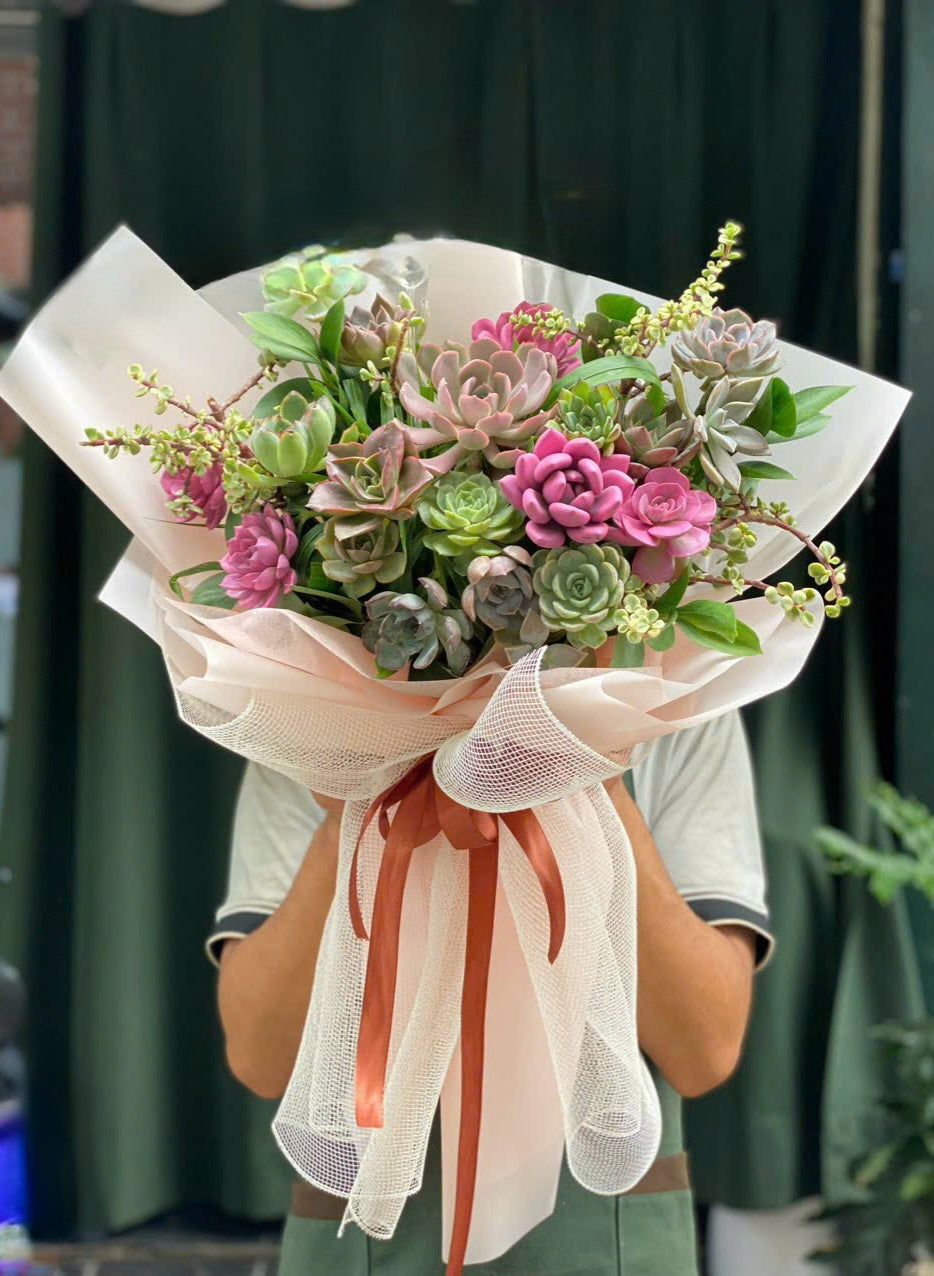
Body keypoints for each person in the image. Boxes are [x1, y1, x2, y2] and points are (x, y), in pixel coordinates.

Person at [208, 710, 774, 1276]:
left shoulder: (680, 707)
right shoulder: (307, 709)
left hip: (604, 1235)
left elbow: (704, 1051)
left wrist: (591, 769)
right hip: (367, 1240)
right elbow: (261, 1057)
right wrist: (358, 803)